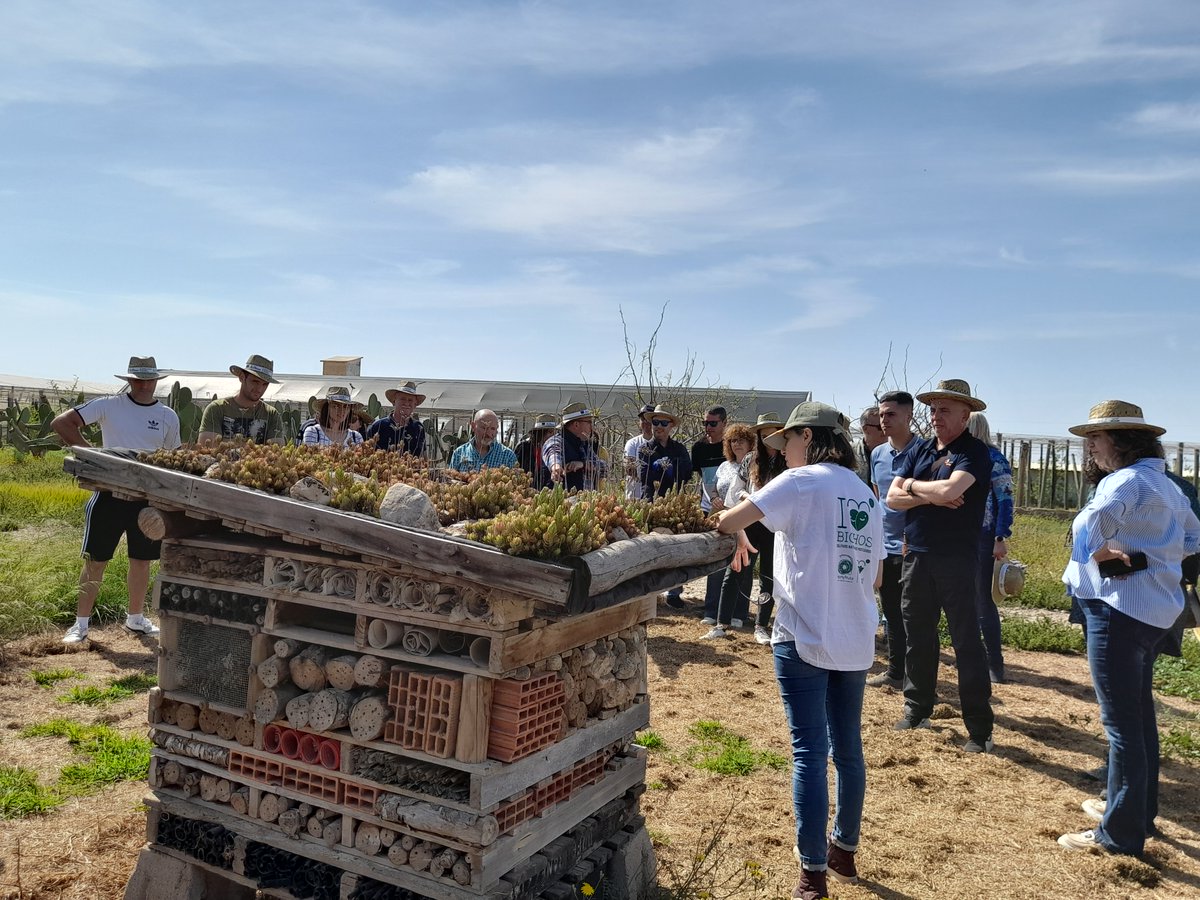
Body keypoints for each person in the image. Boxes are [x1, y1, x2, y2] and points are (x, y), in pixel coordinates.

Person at [716, 402, 883, 900]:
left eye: (786, 442)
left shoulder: (800, 482)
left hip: (803, 631)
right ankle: (844, 850)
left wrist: (739, 521)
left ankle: (811, 874)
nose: (781, 452)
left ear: (807, 437)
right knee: (848, 748)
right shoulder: (865, 493)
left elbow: (729, 520)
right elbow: (875, 573)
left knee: (810, 751)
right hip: (854, 635)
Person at [1057, 401, 1199, 857]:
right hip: (1154, 611)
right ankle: (1137, 813)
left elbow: (1086, 525)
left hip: (1117, 611)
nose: (1091, 449)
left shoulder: (1124, 480)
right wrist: (1150, 558)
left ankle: (1118, 836)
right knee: (1138, 719)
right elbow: (1194, 540)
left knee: (1121, 726)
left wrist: (1095, 555)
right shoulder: (1168, 485)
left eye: (1095, 440)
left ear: (1119, 440)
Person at [886, 378, 995, 753]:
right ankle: (917, 708)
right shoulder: (920, 450)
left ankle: (979, 730)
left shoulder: (974, 452)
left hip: (957, 560)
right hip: (916, 555)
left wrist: (915, 490)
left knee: (966, 643)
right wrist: (927, 493)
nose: (936, 417)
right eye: (933, 410)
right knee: (918, 635)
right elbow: (891, 498)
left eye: (944, 410)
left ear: (966, 415)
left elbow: (951, 491)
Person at [52, 356, 181, 644]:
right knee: (96, 560)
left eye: (149, 379)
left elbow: (174, 457)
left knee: (142, 560)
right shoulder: (108, 405)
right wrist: (95, 457)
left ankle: (135, 618)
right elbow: (63, 423)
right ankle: (80, 624)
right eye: (138, 379)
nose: (144, 384)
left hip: (147, 500)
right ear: (129, 381)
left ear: (156, 381)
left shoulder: (167, 415)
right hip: (109, 495)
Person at [867, 391, 917, 689]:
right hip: (884, 547)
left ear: (909, 416)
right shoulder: (876, 455)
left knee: (915, 616)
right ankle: (896, 672)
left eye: (891, 415)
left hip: (914, 547)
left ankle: (918, 678)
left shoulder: (924, 452)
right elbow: (877, 499)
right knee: (892, 614)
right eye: (882, 414)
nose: (884, 420)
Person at [966, 411, 1014, 684]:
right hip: (962, 536)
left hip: (983, 536)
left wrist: (1000, 536)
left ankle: (995, 665)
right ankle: (981, 661)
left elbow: (1004, 498)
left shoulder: (993, 459)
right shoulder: (960, 457)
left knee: (983, 599)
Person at [701, 422, 756, 639]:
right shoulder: (725, 466)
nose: (737, 444)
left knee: (743, 565)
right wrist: (714, 498)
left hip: (747, 519)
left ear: (751, 442)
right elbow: (713, 487)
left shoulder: (755, 464)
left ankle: (739, 613)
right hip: (723, 518)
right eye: (733, 440)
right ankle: (711, 611)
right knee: (717, 565)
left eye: (741, 440)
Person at [197, 354, 285, 446]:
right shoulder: (217, 409)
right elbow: (206, 447)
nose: (259, 389)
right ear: (242, 377)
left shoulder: (271, 414)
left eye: (265, 384)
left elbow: (277, 452)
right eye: (255, 382)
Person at [542, 403, 608, 491]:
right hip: (562, 502)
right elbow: (553, 452)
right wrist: (556, 466)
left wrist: (583, 464)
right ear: (576, 424)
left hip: (584, 502)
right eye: (589, 422)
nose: (592, 427)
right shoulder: (556, 441)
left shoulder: (584, 444)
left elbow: (604, 468)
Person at [638, 405, 693, 499]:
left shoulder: (680, 449)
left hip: (675, 503)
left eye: (664, 423)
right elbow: (644, 477)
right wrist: (657, 468)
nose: (659, 426)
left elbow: (687, 475)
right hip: (651, 503)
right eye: (655, 422)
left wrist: (673, 470)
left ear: (671, 425)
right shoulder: (645, 449)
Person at [365, 381, 427, 456]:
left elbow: (423, 456)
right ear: (394, 401)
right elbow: (366, 453)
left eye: (410, 400)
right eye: (403, 399)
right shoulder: (378, 426)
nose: (406, 403)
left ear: (415, 404)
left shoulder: (418, 428)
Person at [449, 409, 517, 472]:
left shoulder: (508, 456)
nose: (488, 433)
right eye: (484, 428)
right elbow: (449, 480)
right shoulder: (459, 453)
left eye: (492, 428)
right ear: (473, 427)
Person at [514, 415, 557, 489]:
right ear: (540, 432)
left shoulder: (555, 449)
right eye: (550, 432)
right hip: (525, 490)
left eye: (555, 432)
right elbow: (515, 468)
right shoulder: (524, 447)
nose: (553, 435)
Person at [623, 404, 655, 499]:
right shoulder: (632, 443)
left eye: (648, 419)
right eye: (642, 419)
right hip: (634, 497)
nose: (645, 422)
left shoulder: (661, 444)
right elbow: (630, 468)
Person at [856, 405, 885, 483]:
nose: (885, 429)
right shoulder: (848, 453)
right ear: (865, 429)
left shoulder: (897, 453)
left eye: (886, 425)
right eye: (880, 427)